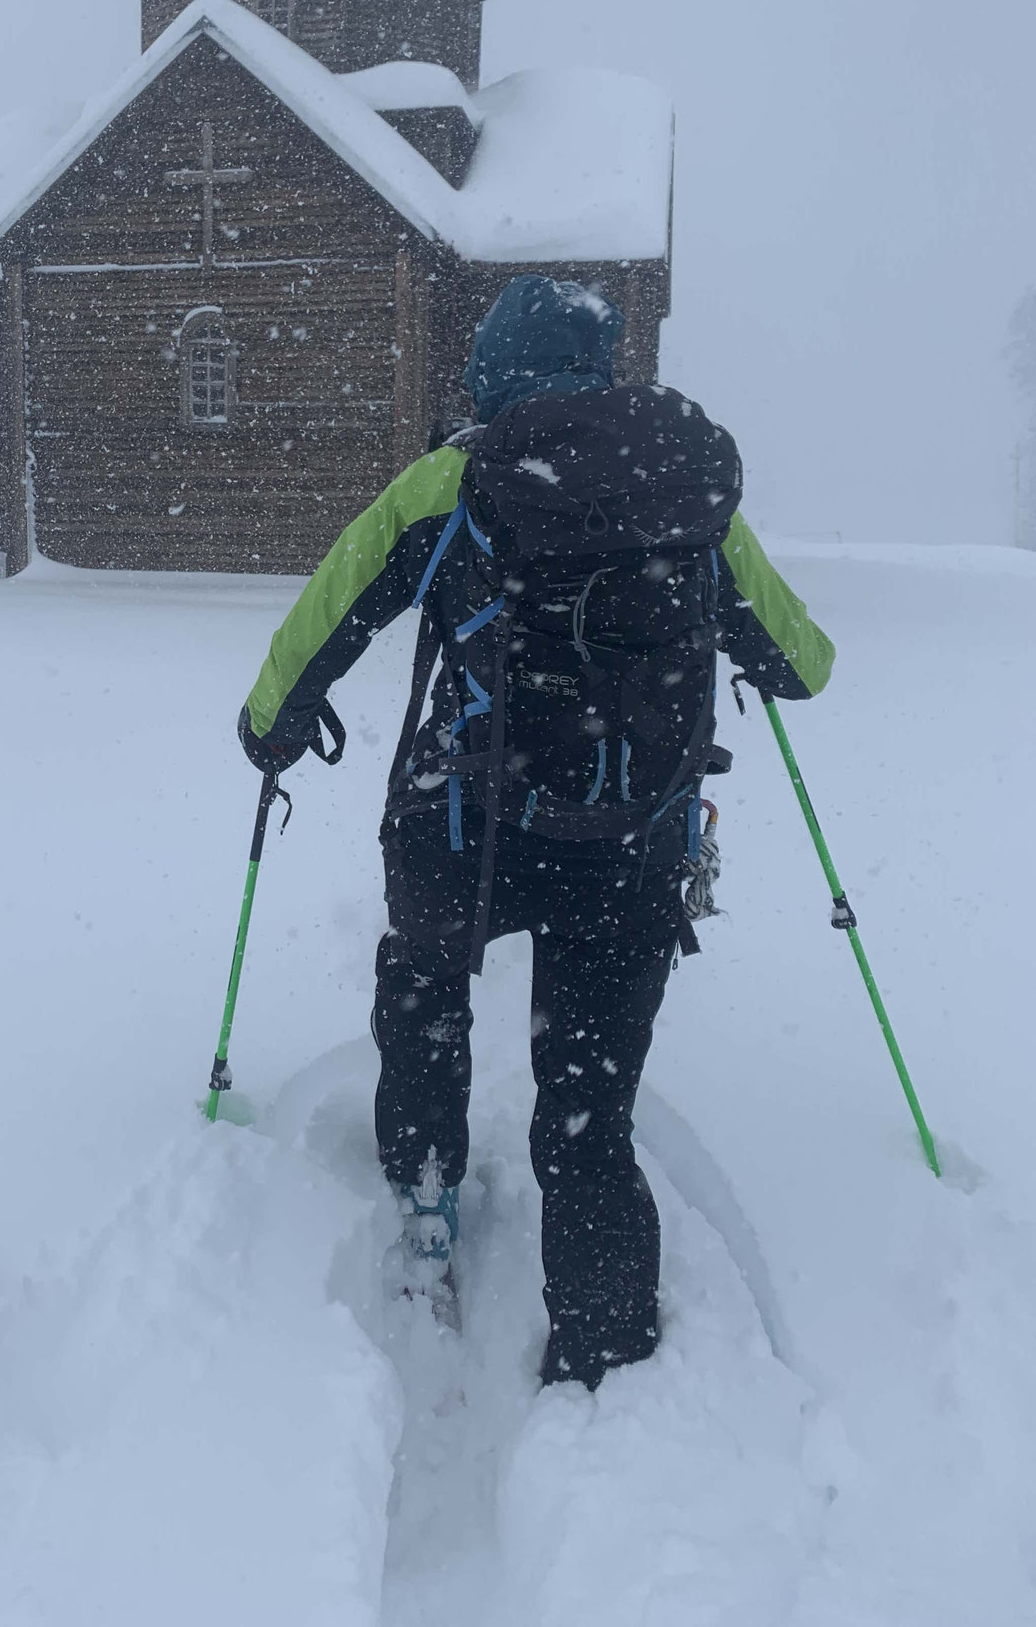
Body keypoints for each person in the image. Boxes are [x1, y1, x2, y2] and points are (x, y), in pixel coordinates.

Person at [237, 277, 834, 1387]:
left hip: (469, 823)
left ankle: (424, 1189)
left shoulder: (454, 480)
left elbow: (331, 606)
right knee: (589, 1099)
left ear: (490, 377)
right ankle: (603, 1345)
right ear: (600, 372)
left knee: (425, 986)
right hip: (631, 842)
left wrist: (269, 725)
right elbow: (804, 662)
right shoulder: (687, 496)